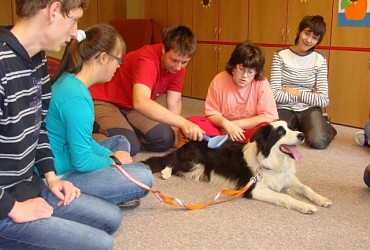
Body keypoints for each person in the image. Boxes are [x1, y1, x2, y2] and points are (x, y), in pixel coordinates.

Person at [0, 1, 122, 249]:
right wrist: (12, 208)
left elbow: (38, 126)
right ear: (53, 11)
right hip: (6, 203)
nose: (75, 32)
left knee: (111, 219)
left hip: (28, 186)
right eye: (74, 19)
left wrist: (52, 177)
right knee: (100, 244)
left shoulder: (36, 59)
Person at [46, 24, 153, 209]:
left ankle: (111, 182)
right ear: (103, 57)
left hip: (66, 155)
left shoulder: (70, 82)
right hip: (62, 174)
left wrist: (110, 154)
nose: (119, 66)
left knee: (121, 142)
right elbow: (82, 160)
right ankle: (98, 193)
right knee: (144, 176)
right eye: (118, 59)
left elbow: (85, 142)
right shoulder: (77, 97)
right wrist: (114, 160)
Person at [88, 25, 204, 156]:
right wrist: (184, 122)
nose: (178, 67)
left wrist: (177, 139)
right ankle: (77, 141)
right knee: (127, 145)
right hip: (104, 100)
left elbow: (174, 102)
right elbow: (141, 102)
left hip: (129, 105)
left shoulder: (178, 66)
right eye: (174, 60)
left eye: (184, 62)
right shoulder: (147, 59)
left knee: (166, 138)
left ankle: (125, 132)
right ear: (164, 49)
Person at [184, 41, 278, 144]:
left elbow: (268, 117)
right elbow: (212, 114)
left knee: (268, 128)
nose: (245, 76)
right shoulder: (219, 79)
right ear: (233, 66)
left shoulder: (261, 83)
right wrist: (226, 125)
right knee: (192, 122)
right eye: (241, 69)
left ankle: (221, 144)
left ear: (256, 72)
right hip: (222, 130)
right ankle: (227, 142)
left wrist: (233, 125)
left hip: (247, 130)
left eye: (250, 72)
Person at [269, 15, 337, 149]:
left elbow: (323, 100)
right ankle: (306, 125)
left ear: (318, 41)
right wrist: (310, 95)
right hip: (284, 107)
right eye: (307, 33)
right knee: (275, 139)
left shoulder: (320, 59)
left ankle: (325, 125)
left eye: (314, 38)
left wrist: (294, 92)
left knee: (318, 141)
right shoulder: (280, 55)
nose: (309, 40)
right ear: (299, 31)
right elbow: (274, 94)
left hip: (309, 109)